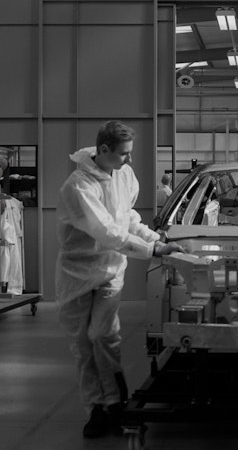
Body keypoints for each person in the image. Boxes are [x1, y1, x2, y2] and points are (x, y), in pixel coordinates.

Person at [55, 120, 185, 438]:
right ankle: (97, 410)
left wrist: (155, 238)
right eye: (124, 154)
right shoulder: (78, 186)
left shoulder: (124, 174)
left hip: (111, 270)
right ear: (103, 150)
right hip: (77, 273)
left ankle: (115, 401)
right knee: (83, 347)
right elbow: (109, 233)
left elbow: (127, 218)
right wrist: (153, 249)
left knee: (103, 335)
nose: (129, 160)